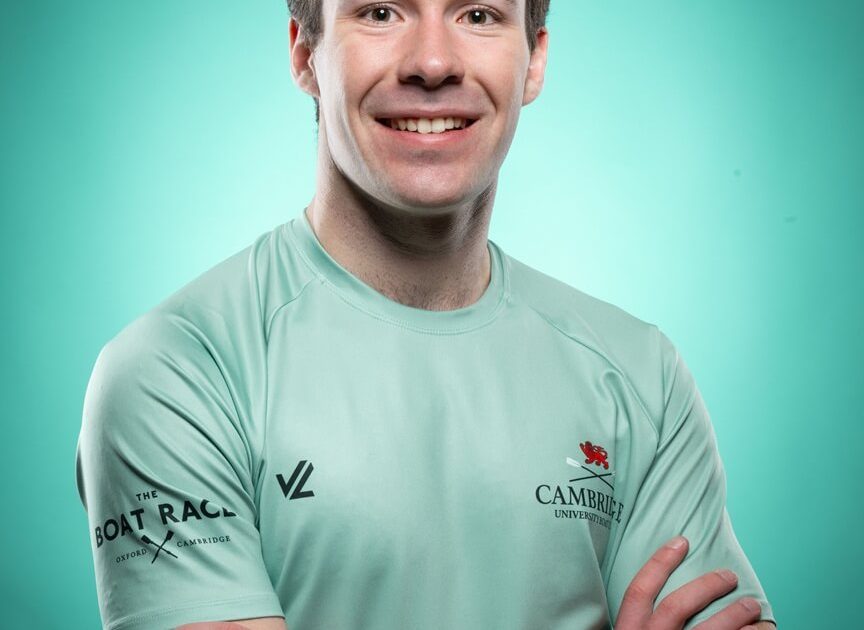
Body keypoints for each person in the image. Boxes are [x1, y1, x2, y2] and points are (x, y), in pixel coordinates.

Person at [74, 1, 777, 628]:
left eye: (478, 14)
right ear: (305, 54)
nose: (433, 63)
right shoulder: (177, 370)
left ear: (534, 61)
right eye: (380, 12)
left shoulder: (641, 374)